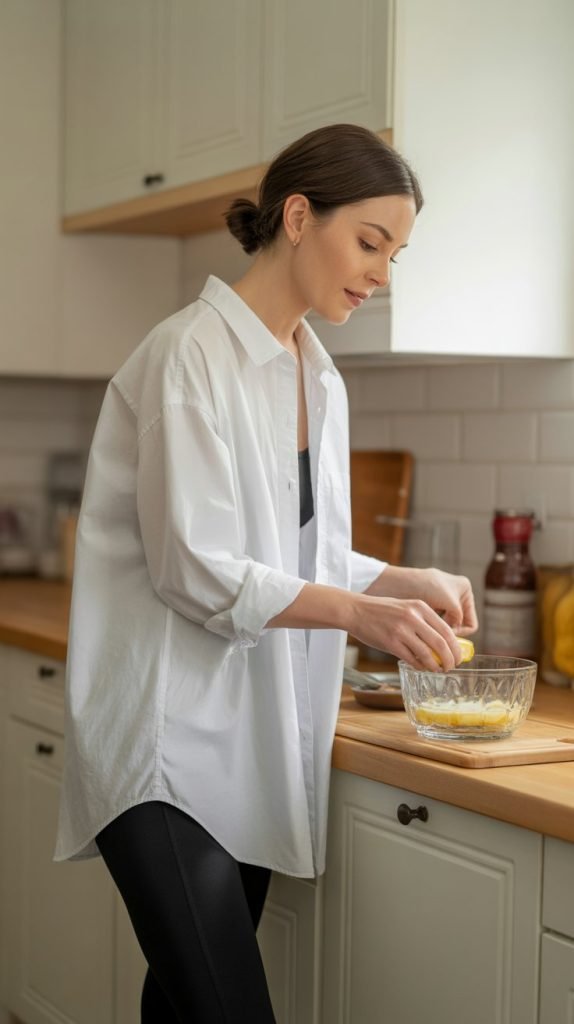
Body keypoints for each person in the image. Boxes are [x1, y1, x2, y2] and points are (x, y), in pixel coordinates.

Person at [55, 123, 478, 1022]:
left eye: (396, 253)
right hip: (167, 748)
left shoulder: (316, 374)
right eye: (370, 242)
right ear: (297, 216)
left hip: (247, 742)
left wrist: (394, 578)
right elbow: (195, 566)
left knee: (180, 1007)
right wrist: (357, 616)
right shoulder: (188, 355)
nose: (382, 274)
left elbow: (288, 552)